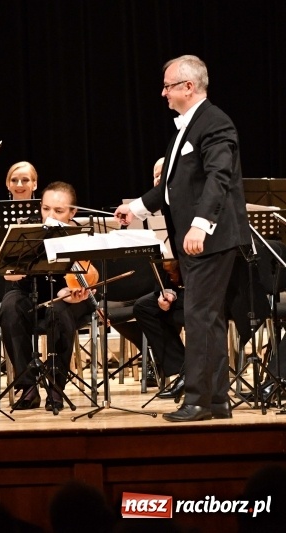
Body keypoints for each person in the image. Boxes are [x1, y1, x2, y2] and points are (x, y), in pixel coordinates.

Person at [114, 55, 249, 422]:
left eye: (169, 85)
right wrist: (138, 208)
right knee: (209, 318)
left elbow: (220, 177)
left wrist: (200, 225)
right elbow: (175, 186)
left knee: (200, 317)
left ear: (189, 87)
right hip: (198, 239)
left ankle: (197, 402)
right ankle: (216, 401)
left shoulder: (215, 123)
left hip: (209, 239)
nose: (163, 93)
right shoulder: (187, 127)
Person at [0, 182, 93, 411]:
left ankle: (55, 386)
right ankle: (27, 385)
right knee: (9, 307)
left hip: (67, 299)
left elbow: (88, 277)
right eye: (46, 209)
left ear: (73, 212)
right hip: (29, 292)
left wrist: (73, 291)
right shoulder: (27, 233)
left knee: (58, 311)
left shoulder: (81, 235)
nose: (50, 216)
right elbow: (9, 274)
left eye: (58, 211)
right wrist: (12, 271)